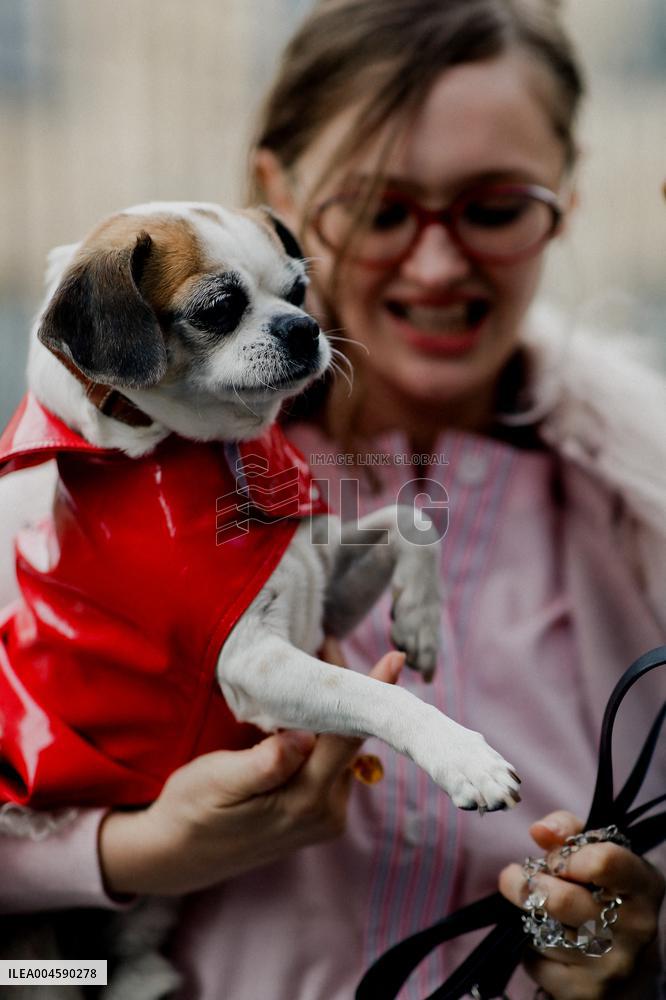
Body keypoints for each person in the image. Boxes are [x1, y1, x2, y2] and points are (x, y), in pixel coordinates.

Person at [1, 0, 664, 997]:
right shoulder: (79, 501)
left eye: (494, 208)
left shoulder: (640, 512)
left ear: (565, 198)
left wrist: (632, 955)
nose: (435, 263)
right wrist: (124, 856)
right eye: (378, 209)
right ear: (283, 192)